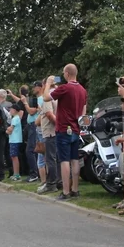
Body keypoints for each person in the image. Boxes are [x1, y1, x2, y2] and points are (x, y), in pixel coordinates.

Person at [43, 64, 88, 201]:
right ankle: (75, 189)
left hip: (63, 128)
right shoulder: (82, 90)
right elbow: (84, 111)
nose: (63, 75)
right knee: (75, 159)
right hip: (75, 128)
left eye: (64, 73)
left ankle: (66, 191)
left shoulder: (64, 88)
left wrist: (49, 83)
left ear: (68, 74)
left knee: (64, 160)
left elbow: (45, 97)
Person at [37, 87, 59, 194]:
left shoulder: (47, 97)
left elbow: (49, 114)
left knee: (50, 159)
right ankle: (60, 181)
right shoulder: (60, 95)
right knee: (59, 159)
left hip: (50, 132)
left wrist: (59, 125)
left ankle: (51, 184)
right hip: (58, 131)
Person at [8, 103, 24, 181]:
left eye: (10, 109)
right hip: (15, 139)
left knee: (14, 157)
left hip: (14, 139)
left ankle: (16, 174)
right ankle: (15, 173)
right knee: (13, 156)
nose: (10, 111)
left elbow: (10, 130)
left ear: (14, 110)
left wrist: (7, 130)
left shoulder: (15, 119)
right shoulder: (17, 118)